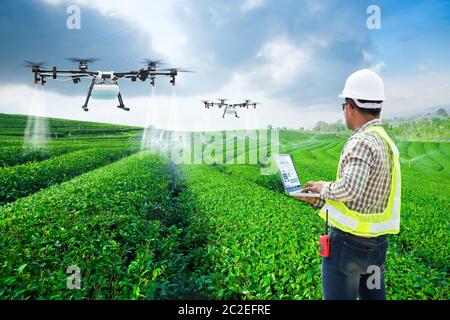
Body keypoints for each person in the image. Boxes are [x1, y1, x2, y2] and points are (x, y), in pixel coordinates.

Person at [296, 69, 401, 300]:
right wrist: (322, 197)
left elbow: (351, 189)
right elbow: (363, 195)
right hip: (376, 249)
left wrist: (323, 189)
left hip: (349, 250)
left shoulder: (361, 141)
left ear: (351, 106)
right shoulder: (385, 141)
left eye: (344, 105)